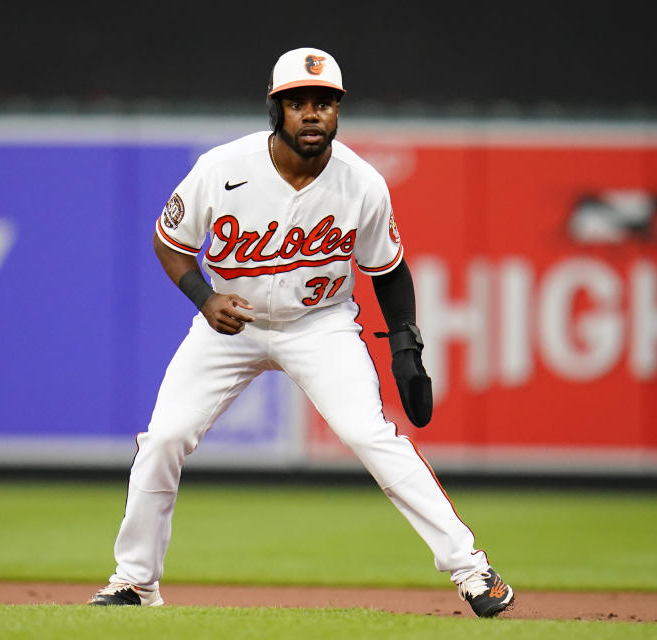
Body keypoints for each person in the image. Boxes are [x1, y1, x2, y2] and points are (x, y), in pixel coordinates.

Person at [88, 47, 514, 618]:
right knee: (163, 439)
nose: (312, 114)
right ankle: (135, 581)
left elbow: (388, 271)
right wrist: (205, 296)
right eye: (298, 103)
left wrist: (406, 348)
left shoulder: (362, 183)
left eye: (324, 103)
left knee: (372, 437)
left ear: (338, 111)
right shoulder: (223, 167)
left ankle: (472, 571)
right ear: (275, 109)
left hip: (320, 327)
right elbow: (170, 240)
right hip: (230, 325)